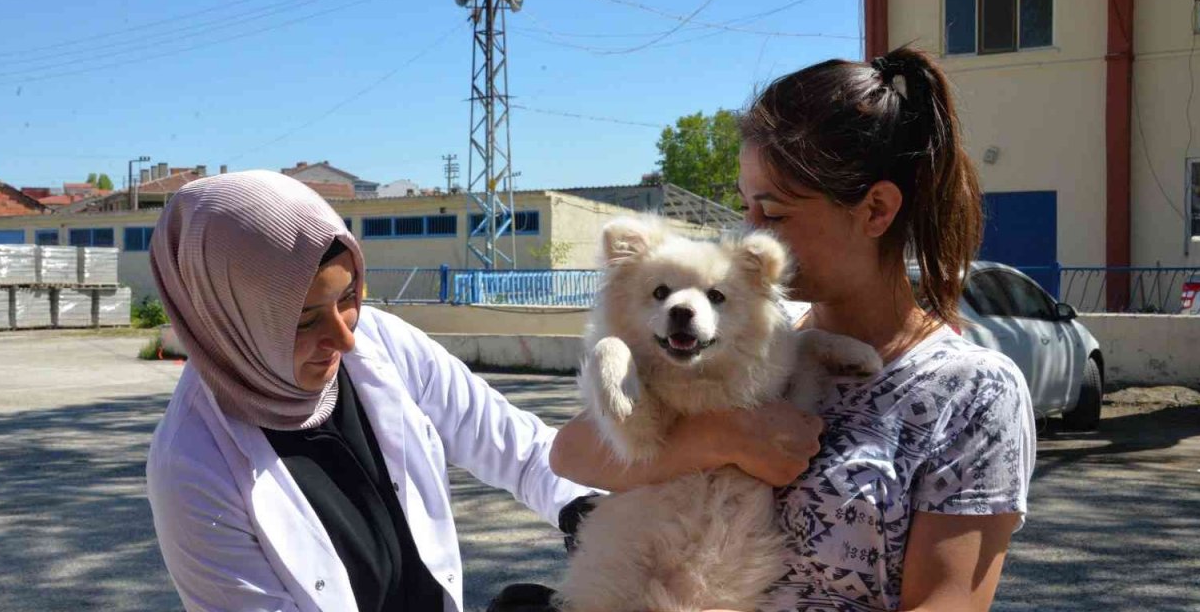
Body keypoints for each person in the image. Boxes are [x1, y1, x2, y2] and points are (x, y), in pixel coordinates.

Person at [551, 46, 1036, 612]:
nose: (747, 232)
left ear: (876, 210)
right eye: (745, 207)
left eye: (773, 213)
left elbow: (948, 602)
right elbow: (572, 452)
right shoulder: (750, 347)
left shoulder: (973, 392)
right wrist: (723, 436)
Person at [144, 170, 594, 612]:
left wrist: (585, 510)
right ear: (226, 319)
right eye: (303, 320)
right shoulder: (192, 464)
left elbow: (518, 447)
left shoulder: (384, 342)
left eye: (348, 297)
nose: (345, 339)